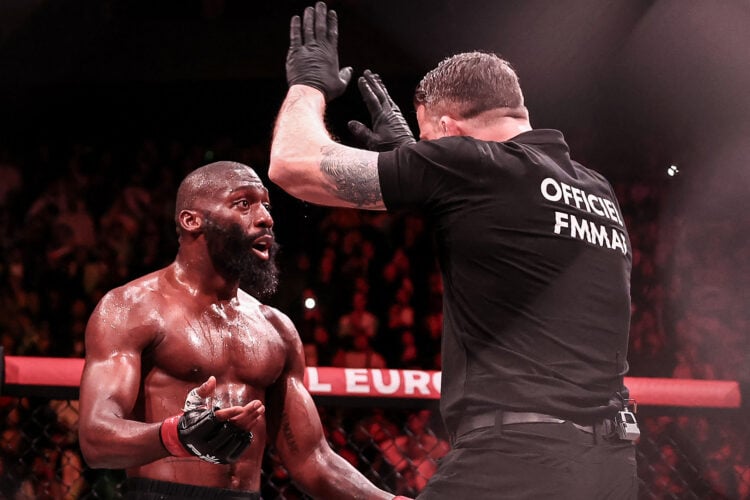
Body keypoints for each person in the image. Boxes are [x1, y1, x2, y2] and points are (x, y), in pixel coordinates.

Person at [269, 3, 638, 498]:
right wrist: (416, 166)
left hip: (518, 462)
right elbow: (499, 234)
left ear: (449, 129)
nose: (425, 149)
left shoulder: (473, 165)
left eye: (427, 139)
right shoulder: (595, 189)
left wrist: (307, 84)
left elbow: (292, 164)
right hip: (610, 464)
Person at [78, 161, 404, 499]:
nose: (265, 217)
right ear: (191, 221)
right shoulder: (132, 308)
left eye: (266, 204)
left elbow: (312, 459)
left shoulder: (275, 328)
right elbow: (96, 439)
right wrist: (176, 436)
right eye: (244, 203)